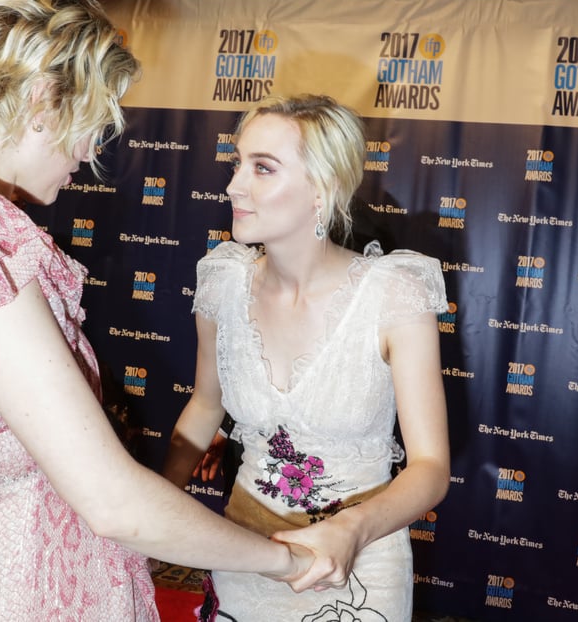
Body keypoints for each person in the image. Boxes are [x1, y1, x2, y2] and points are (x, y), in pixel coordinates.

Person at [0, 0, 327, 619]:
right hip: (27, 590)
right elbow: (113, 503)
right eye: (92, 125)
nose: (85, 157)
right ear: (42, 103)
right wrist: (291, 561)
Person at [161, 93, 452, 621]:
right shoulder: (223, 282)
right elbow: (205, 407)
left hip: (360, 560)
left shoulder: (393, 296)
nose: (234, 184)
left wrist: (351, 529)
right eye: (238, 163)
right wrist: (154, 510)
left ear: (322, 188)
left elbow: (430, 468)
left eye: (263, 168)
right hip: (243, 549)